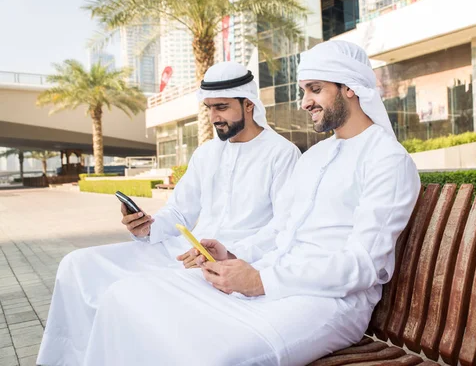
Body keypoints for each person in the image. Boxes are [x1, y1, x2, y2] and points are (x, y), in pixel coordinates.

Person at [49, 41, 421, 366]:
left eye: (315, 89)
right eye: (304, 89)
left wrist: (262, 280)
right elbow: (282, 228)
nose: (305, 101)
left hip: (329, 303)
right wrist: (230, 253)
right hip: (271, 276)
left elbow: (363, 266)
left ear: (351, 89)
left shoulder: (387, 161)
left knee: (206, 356)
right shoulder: (317, 156)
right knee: (126, 296)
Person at [37, 61, 301, 366]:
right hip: (181, 251)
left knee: (126, 293)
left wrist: (229, 253)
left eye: (222, 107)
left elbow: (284, 226)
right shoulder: (207, 153)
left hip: (230, 261)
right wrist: (148, 227)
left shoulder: (282, 154)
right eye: (209, 108)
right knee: (77, 264)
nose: (214, 116)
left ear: (249, 104)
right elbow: (179, 209)